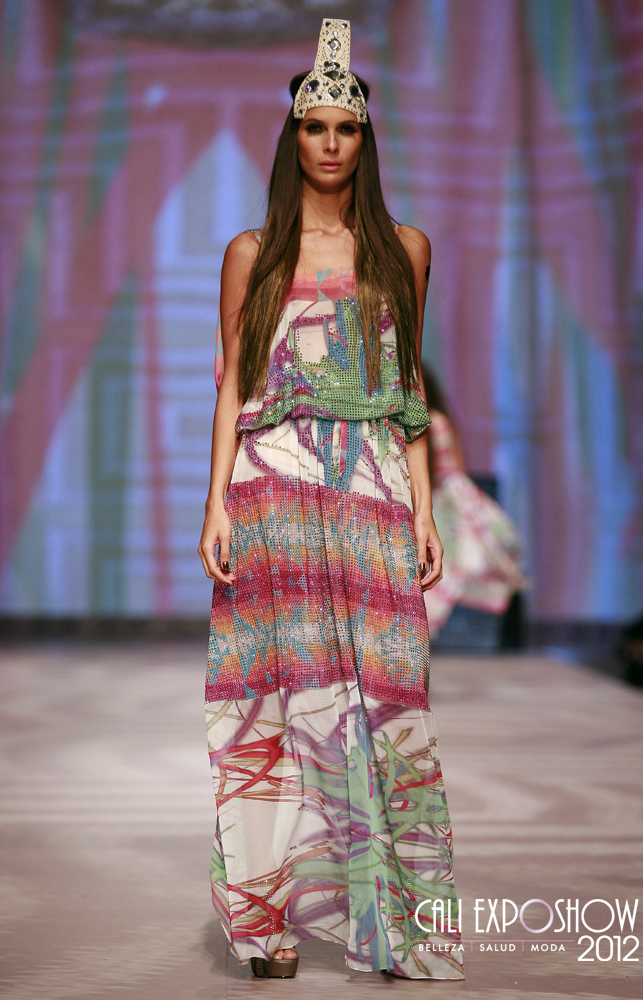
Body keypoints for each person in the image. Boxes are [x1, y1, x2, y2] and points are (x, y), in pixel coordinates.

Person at [198, 18, 464, 981]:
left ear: (364, 139)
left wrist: (424, 509)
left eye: (345, 128)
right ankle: (265, 924)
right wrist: (215, 504)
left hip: (374, 490)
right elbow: (232, 383)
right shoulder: (251, 253)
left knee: (387, 701)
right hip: (272, 490)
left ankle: (397, 923)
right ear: (293, 136)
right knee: (272, 704)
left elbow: (408, 387)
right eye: (314, 127)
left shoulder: (404, 248)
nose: (329, 143)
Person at [420, 366, 527, 634]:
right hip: (450, 491)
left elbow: (443, 466)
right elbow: (457, 465)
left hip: (442, 493)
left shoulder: (429, 421)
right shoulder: (442, 420)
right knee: (462, 555)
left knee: (451, 558)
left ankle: (429, 622)